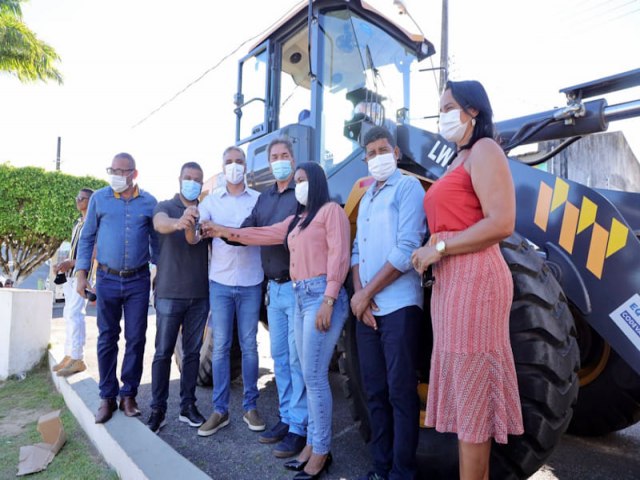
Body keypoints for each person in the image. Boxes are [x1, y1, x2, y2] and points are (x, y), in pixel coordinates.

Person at [207, 161, 350, 480]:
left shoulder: (331, 211)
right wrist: (223, 231)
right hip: (300, 297)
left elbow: (339, 255)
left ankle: (322, 451)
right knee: (304, 370)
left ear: (316, 181)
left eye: (303, 179)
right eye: (296, 179)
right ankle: (313, 444)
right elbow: (260, 233)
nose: (298, 185)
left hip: (321, 296)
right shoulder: (297, 220)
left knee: (313, 377)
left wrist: (329, 299)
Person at [411, 80, 524, 480]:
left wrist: (437, 250)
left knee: (474, 401)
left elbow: (502, 222)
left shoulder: (485, 149)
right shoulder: (458, 161)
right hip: (452, 284)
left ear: (472, 110)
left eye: (448, 106)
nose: (441, 115)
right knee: (467, 399)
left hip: (474, 281)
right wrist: (429, 246)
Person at [350, 126, 426, 480]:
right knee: (374, 392)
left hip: (398, 307)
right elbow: (355, 252)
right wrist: (359, 297)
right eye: (370, 152)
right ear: (365, 159)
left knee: (400, 393)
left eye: (383, 149)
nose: (377, 156)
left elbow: (408, 247)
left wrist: (367, 294)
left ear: (395, 153)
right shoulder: (366, 199)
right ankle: (380, 468)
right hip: (368, 313)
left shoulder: (408, 188)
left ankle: (401, 472)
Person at [236, 138, 308, 458]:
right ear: (268, 163)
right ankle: (286, 417)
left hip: (297, 288)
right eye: (274, 156)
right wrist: (223, 233)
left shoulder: (303, 193)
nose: (279, 160)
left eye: (284, 156)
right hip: (273, 289)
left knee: (297, 359)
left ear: (293, 160)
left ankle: (300, 428)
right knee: (279, 357)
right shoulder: (264, 199)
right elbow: (246, 229)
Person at [188, 146, 266, 437]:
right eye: (229, 162)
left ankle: (250, 406)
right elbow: (196, 233)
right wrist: (193, 220)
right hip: (220, 283)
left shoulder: (259, 201)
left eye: (239, 161)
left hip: (251, 282)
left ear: (246, 166)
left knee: (249, 345)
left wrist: (219, 230)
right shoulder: (211, 202)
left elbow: (263, 234)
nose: (234, 166)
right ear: (222, 168)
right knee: (220, 347)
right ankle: (220, 410)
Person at [76, 152, 159, 424]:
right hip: (108, 280)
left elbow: (157, 243)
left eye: (123, 171)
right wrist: (81, 275)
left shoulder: (148, 202)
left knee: (136, 338)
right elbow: (87, 238)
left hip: (138, 280)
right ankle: (106, 397)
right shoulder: (99, 199)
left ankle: (129, 395)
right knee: (107, 337)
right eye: (113, 169)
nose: (117, 175)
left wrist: (159, 271)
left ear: (134, 174)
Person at [146, 162, 210, 433]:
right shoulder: (165, 207)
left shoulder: (207, 211)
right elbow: (159, 224)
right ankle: (158, 410)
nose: (192, 182)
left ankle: (187, 406)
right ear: (180, 179)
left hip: (199, 295)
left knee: (193, 354)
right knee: (162, 353)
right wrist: (178, 222)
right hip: (169, 294)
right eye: (188, 178)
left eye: (197, 179)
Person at [52, 188, 95, 377]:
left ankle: (77, 358)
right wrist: (65, 264)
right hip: (71, 274)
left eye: (82, 198)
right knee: (68, 314)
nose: (78, 200)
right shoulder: (78, 224)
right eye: (77, 197)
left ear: (91, 201)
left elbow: (95, 253)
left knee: (75, 313)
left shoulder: (94, 224)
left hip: (83, 275)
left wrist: (73, 263)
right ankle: (70, 355)